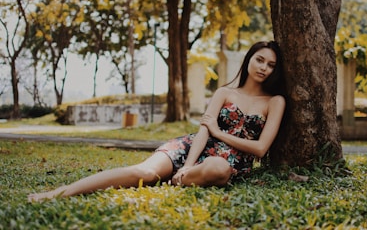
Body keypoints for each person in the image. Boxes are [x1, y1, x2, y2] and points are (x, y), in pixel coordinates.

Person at [28, 41, 286, 202]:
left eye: (271, 65)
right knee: (144, 173)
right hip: (191, 148)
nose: (263, 67)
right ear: (249, 60)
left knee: (218, 169)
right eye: (259, 59)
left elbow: (261, 148)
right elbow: (204, 132)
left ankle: (179, 180)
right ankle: (57, 193)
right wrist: (187, 164)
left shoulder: (274, 101)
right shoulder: (225, 92)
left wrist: (220, 132)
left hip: (227, 162)